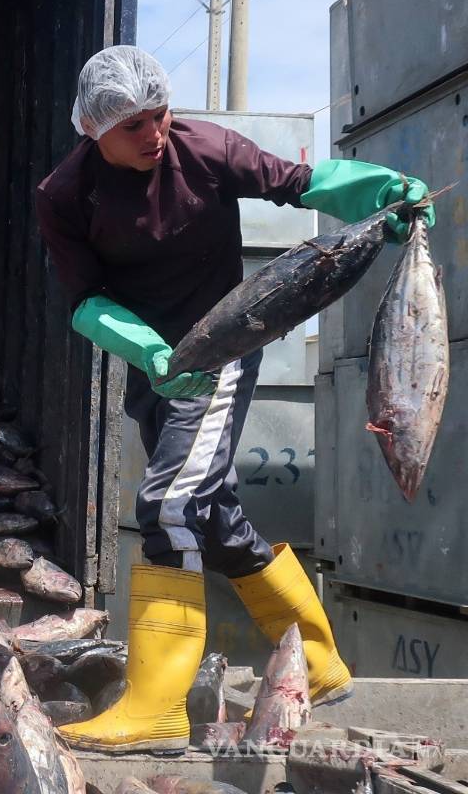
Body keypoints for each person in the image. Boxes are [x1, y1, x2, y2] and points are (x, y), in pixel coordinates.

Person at [37, 45, 434, 753]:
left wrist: (379, 193)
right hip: (154, 363)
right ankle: (320, 659)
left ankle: (156, 706)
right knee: (213, 517)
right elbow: (86, 300)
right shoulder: (65, 195)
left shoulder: (206, 149)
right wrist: (151, 354)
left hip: (223, 346)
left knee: (169, 504)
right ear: (93, 130)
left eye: (160, 115)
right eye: (135, 126)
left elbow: (300, 183)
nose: (155, 132)